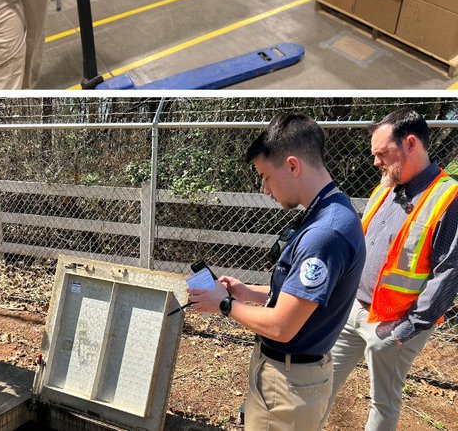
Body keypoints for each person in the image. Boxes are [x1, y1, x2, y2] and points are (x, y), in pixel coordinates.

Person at [188, 114, 365, 431]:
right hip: (291, 378)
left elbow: (283, 326)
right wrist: (248, 292)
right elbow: (302, 300)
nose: (265, 190)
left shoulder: (324, 234)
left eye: (266, 177)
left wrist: (225, 305)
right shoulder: (330, 211)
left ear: (293, 166)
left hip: (288, 385)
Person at [327, 108, 458, 431]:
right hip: (353, 310)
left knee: (382, 404)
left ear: (410, 144)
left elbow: (450, 271)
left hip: (394, 325)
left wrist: (406, 330)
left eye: (383, 153)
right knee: (321, 383)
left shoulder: (448, 197)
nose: (376, 162)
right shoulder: (386, 186)